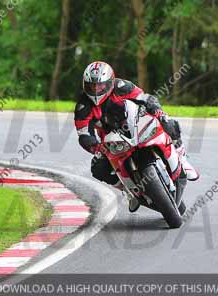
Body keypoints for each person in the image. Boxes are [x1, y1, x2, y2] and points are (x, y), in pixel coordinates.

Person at [74, 60, 198, 211]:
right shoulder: (83, 106)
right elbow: (83, 133)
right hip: (112, 141)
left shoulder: (121, 86)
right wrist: (95, 147)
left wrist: (157, 111)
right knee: (98, 168)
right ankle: (127, 191)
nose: (96, 89)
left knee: (168, 123)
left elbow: (145, 98)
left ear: (110, 82)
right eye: (91, 85)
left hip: (136, 124)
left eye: (100, 85)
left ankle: (182, 158)